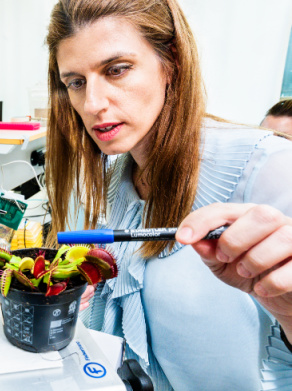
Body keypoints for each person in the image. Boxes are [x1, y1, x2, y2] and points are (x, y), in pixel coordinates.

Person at [44, 0, 292, 389]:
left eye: (117, 70)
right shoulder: (113, 174)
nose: (92, 104)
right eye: (76, 82)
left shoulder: (270, 168)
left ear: (170, 62)